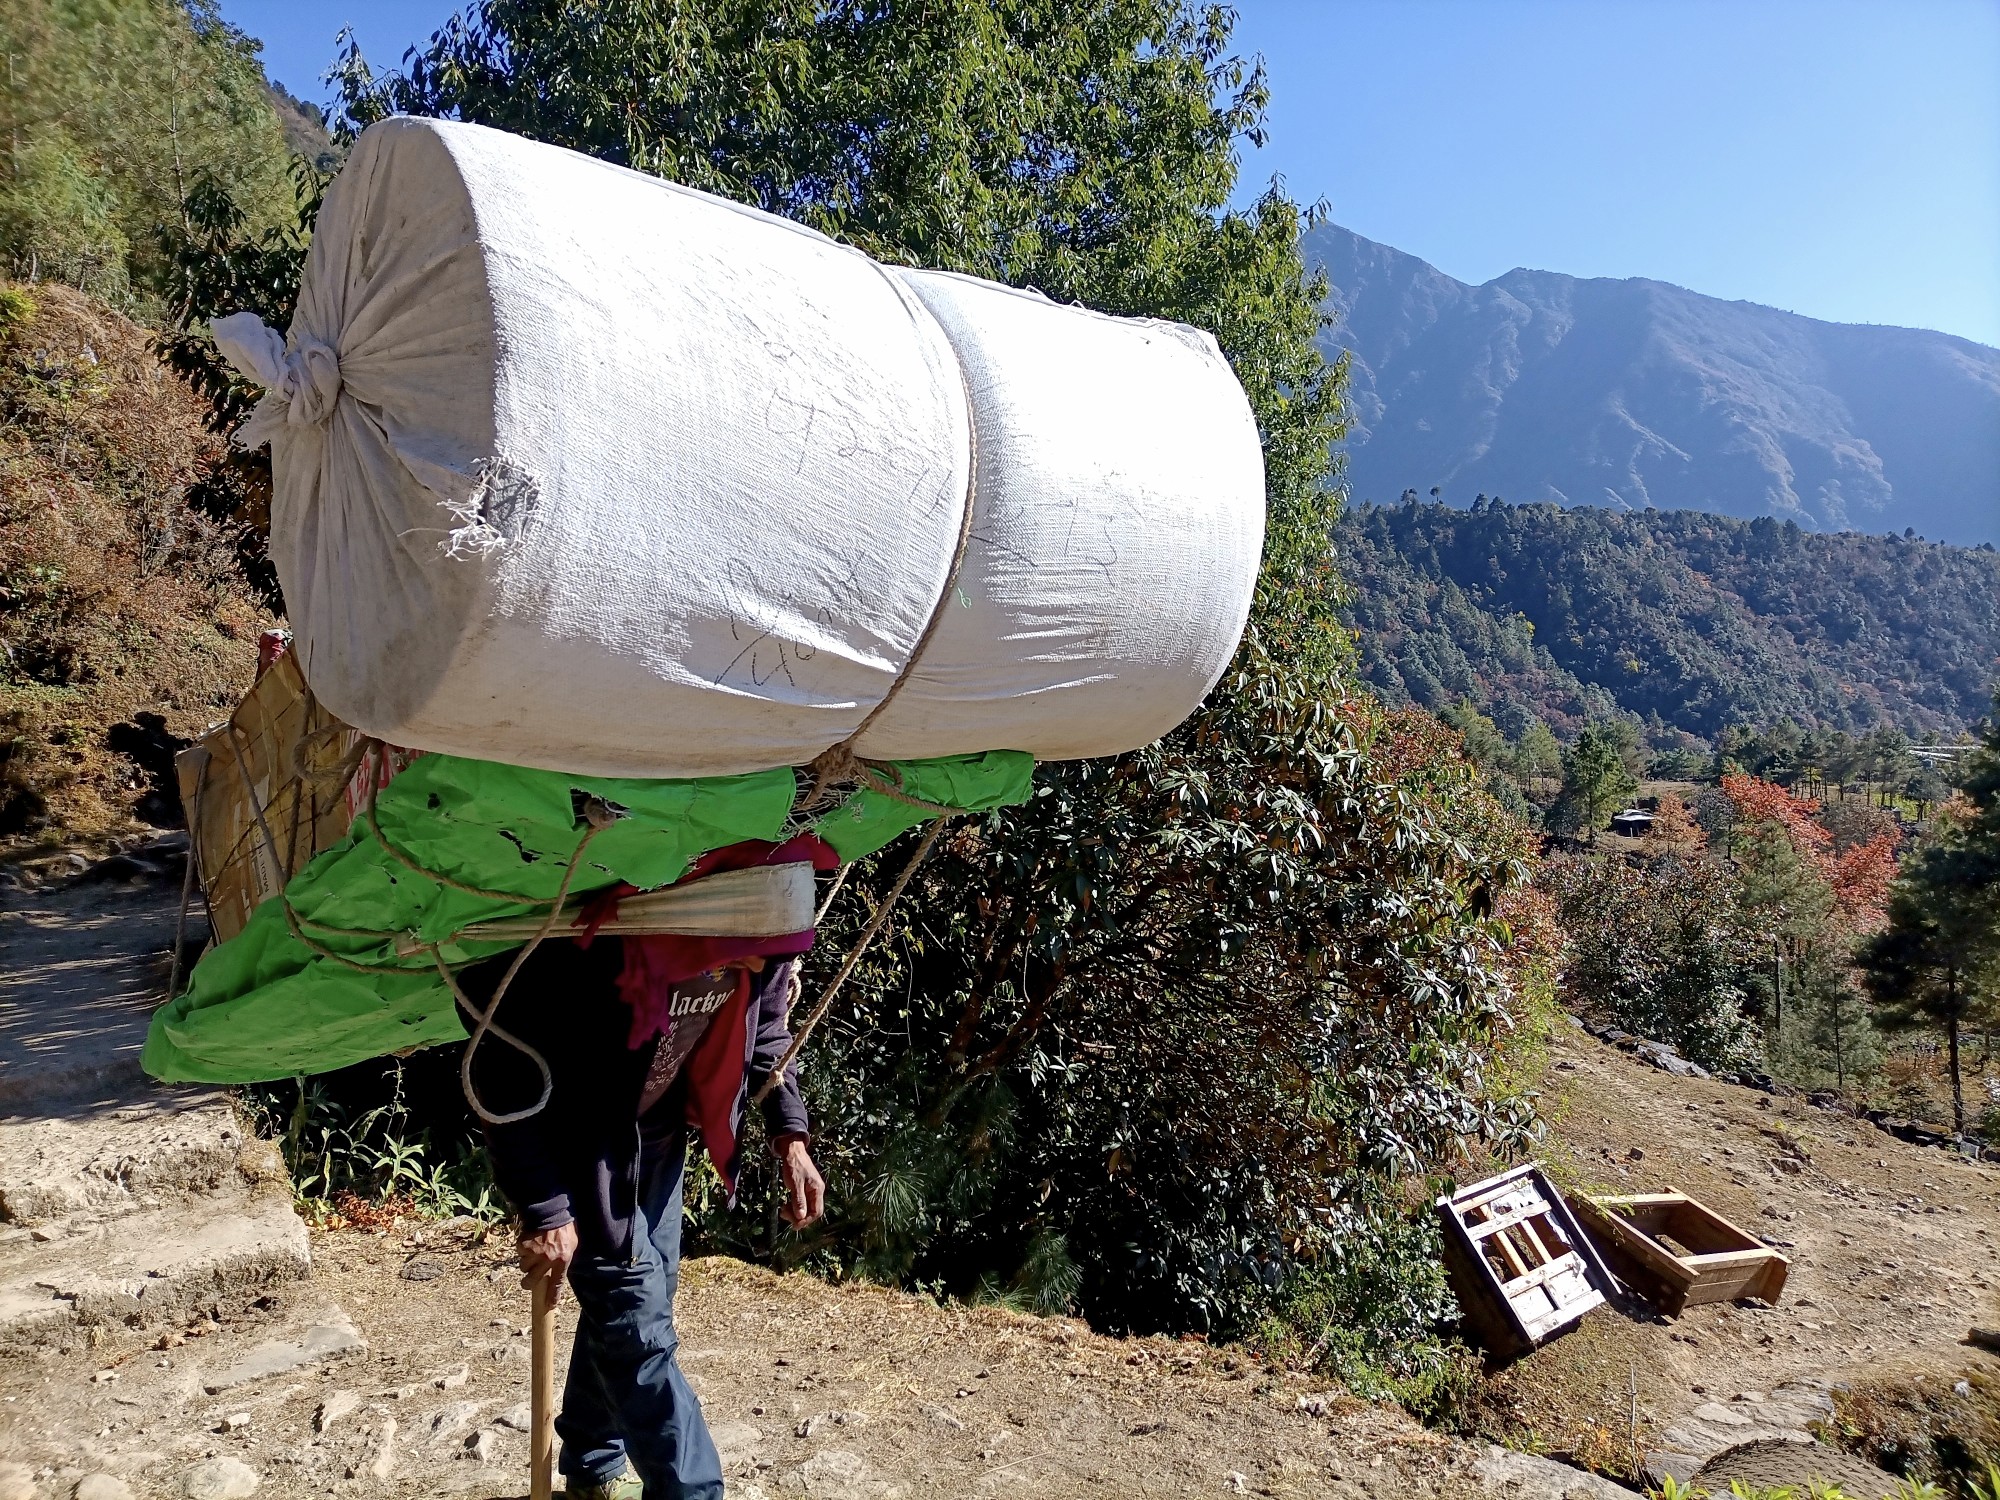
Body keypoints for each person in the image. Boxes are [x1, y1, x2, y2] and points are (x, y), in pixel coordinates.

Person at [464, 837, 831, 1500]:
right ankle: (693, 1493)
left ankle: (593, 1463)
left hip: (654, 1145)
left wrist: (791, 1138)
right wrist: (545, 1207)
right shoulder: (604, 947)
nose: (757, 965)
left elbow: (768, 1031)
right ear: (716, 914)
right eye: (752, 948)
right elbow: (501, 1064)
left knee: (640, 1305)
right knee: (637, 1323)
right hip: (583, 1154)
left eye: (775, 956)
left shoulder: (761, 943)